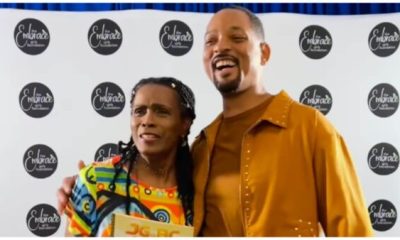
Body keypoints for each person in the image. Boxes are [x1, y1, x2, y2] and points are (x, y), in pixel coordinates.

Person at [58, 6, 373, 237]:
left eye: (237, 37)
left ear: (263, 53)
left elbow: (354, 232)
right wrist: (83, 187)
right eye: (210, 41)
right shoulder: (202, 146)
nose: (221, 46)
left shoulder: (309, 128)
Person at [63, 77, 196, 236]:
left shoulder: (199, 188)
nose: (147, 120)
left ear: (184, 124)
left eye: (162, 112)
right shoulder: (96, 180)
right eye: (139, 111)